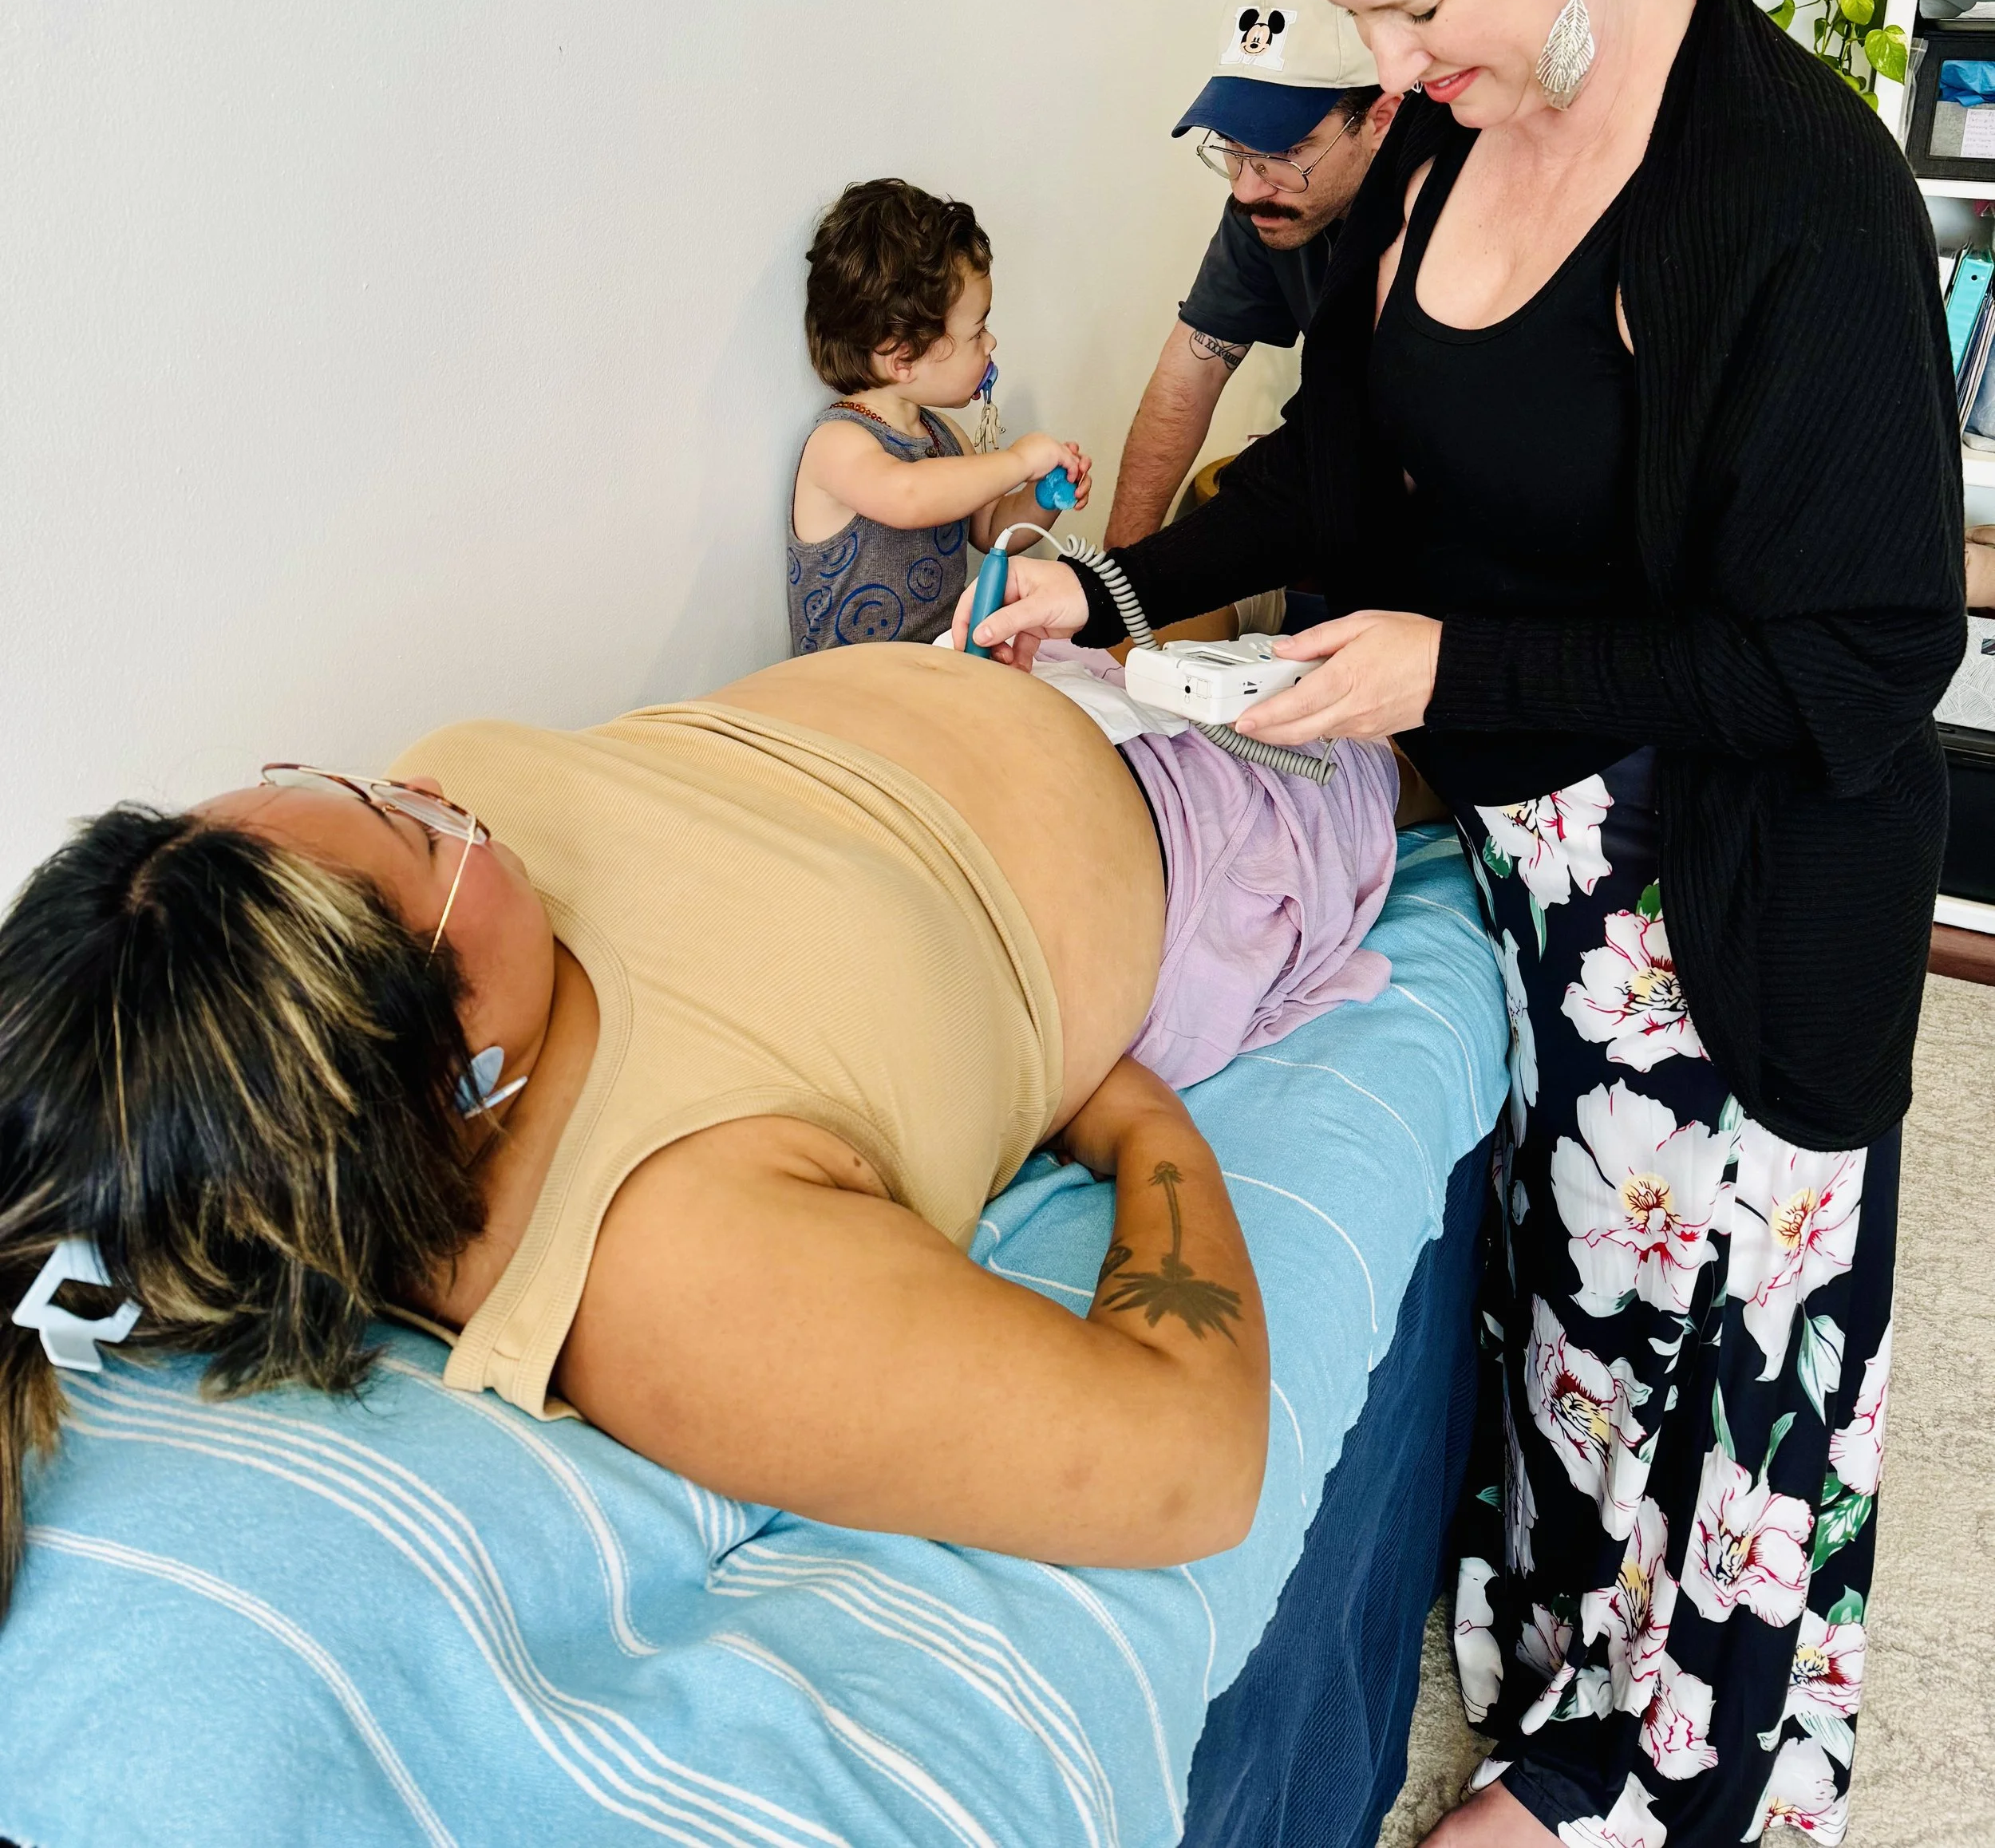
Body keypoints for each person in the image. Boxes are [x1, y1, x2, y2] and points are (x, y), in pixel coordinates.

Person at [957, 0, 1964, 1845]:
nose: (1391, 81)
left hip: (1732, 879)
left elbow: (1859, 659)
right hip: (1518, 849)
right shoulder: (1432, 131)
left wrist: (1450, 664)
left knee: (1715, 1375)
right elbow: (1353, 450)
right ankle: (1551, 1697)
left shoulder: (1793, 197)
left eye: (1423, 15)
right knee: (1566, 1323)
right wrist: (1117, 580)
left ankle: (1661, 1770)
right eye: (1368, 30)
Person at [0, 636, 1416, 1617]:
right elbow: (1185, 1457)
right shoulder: (678, 1259)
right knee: (1460, 692)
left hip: (1040, 679)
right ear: (451, 1077)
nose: (426, 784)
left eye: (354, 784)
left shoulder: (399, 941)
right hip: (1208, 821)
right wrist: (1144, 1126)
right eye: (417, 829)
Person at [1105, 0, 1396, 549]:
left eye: (1286, 150)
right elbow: (1192, 373)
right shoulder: (1272, 200)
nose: (1246, 187)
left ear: (1378, 121)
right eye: (1234, 149)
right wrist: (1112, 580)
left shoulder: (1448, 207)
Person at [789, 179, 1091, 654]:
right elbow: (909, 495)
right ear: (903, 358)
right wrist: (1016, 461)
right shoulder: (838, 443)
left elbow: (991, 530)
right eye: (978, 332)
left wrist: (1044, 495)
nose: (991, 344)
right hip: (846, 692)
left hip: (939, 670)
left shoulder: (945, 436)